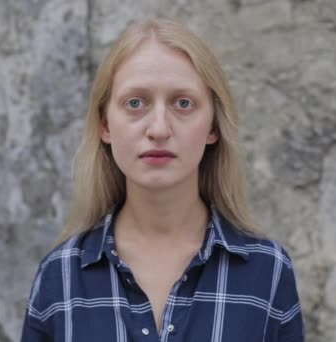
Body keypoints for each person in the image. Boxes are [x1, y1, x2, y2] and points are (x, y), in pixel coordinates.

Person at [20, 18, 304, 342]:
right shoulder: (60, 277)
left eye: (183, 103)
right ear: (106, 126)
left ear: (213, 126)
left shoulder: (267, 271)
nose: (158, 129)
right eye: (135, 103)